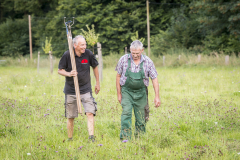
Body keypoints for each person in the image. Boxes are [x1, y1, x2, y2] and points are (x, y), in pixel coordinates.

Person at [115, 40, 161, 140]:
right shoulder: (123, 59)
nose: (135, 55)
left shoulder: (148, 61)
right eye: (133, 53)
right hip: (126, 92)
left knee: (141, 117)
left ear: (142, 50)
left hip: (141, 93)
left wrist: (157, 96)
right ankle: (125, 138)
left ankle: (140, 138)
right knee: (126, 113)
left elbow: (154, 78)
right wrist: (119, 94)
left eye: (137, 53)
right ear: (130, 50)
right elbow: (118, 76)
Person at [58, 35, 100, 142]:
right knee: (71, 116)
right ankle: (70, 138)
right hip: (71, 91)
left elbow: (95, 66)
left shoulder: (88, 54)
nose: (84, 47)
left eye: (85, 44)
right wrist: (69, 73)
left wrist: (97, 82)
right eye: (82, 45)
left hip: (86, 89)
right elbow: (60, 70)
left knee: (90, 112)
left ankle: (91, 137)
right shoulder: (68, 55)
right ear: (75, 45)